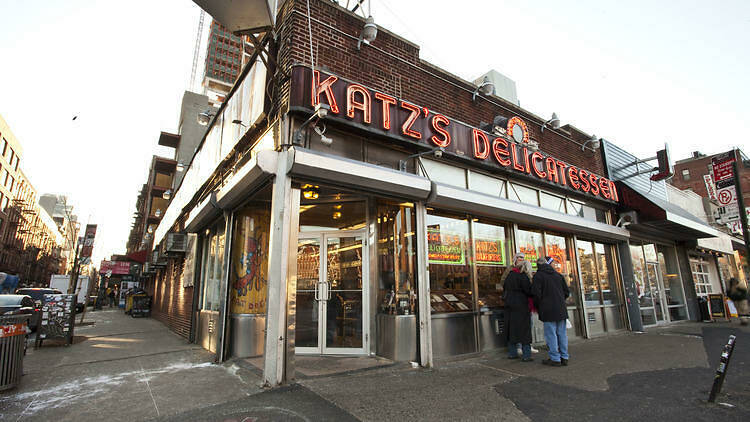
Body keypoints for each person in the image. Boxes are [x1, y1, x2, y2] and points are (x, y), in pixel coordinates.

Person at [532, 256, 570, 367]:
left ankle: (555, 358)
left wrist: (539, 306)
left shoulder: (538, 276)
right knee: (562, 334)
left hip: (547, 310)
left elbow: (536, 294)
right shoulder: (558, 276)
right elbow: (566, 292)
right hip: (561, 309)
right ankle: (564, 356)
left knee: (551, 335)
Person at [504, 253, 534, 362]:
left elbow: (504, 286)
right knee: (524, 330)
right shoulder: (524, 277)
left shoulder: (510, 275)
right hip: (522, 305)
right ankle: (526, 354)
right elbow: (529, 291)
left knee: (511, 329)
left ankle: (512, 353)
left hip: (509, 305)